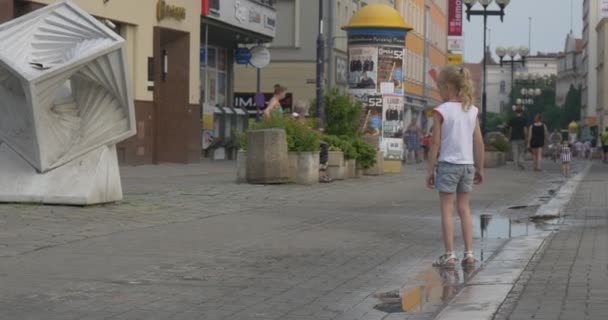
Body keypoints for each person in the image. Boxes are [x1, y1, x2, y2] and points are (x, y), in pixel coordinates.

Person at [426, 65, 484, 269]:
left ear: (448, 86)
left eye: (440, 87)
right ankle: (469, 254)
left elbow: (435, 143)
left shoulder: (441, 110)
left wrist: (430, 170)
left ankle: (449, 255)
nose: (439, 91)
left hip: (448, 165)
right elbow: (479, 142)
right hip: (467, 165)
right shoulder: (472, 110)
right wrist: (480, 167)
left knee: (447, 210)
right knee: (464, 209)